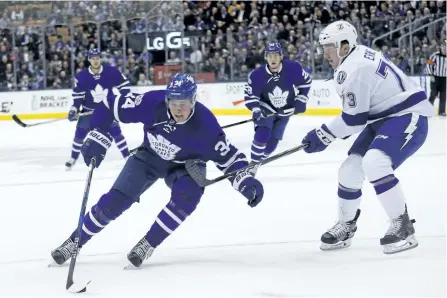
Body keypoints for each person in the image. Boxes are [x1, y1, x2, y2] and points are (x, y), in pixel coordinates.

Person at [51, 73, 264, 268]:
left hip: (186, 164)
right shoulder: (152, 102)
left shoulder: (207, 125)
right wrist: (98, 133)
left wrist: (246, 183)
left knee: (189, 195)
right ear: (166, 100)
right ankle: (75, 241)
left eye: (184, 104)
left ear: (193, 101)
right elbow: (108, 105)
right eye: (173, 104)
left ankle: (148, 243)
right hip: (149, 157)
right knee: (115, 201)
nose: (178, 110)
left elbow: (231, 160)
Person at [301, 21, 435, 254]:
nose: (324, 54)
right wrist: (327, 135)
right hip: (382, 119)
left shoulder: (354, 68)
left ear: (344, 46)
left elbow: (353, 121)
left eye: (328, 47)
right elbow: (358, 115)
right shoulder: (355, 57)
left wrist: (323, 135)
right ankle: (346, 225)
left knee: (375, 162)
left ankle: (403, 226)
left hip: (406, 116)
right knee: (349, 170)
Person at [244, 42, 311, 175]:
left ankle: (257, 161)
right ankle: (253, 165)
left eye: (275, 55)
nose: (273, 59)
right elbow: (251, 95)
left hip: (285, 110)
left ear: (281, 56)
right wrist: (256, 109)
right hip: (266, 108)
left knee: (272, 145)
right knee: (263, 134)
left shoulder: (293, 68)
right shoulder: (257, 74)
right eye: (269, 56)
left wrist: (301, 99)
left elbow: (306, 82)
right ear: (265, 57)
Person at [65, 48, 130, 170]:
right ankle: (73, 159)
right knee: (79, 135)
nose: (95, 61)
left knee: (117, 134)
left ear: (100, 58)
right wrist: (74, 109)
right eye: (93, 58)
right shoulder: (82, 76)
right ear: (89, 60)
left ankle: (127, 158)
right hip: (88, 111)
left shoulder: (111, 72)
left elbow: (125, 86)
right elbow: (77, 98)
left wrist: (123, 99)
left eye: (97, 58)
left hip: (107, 111)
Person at [427, 40, 446, 116]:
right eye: (443, 46)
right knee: (433, 94)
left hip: (444, 78)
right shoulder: (435, 55)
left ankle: (441, 112)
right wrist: (431, 75)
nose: (445, 48)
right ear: (441, 47)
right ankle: (428, 111)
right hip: (435, 78)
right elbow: (429, 65)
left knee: (443, 95)